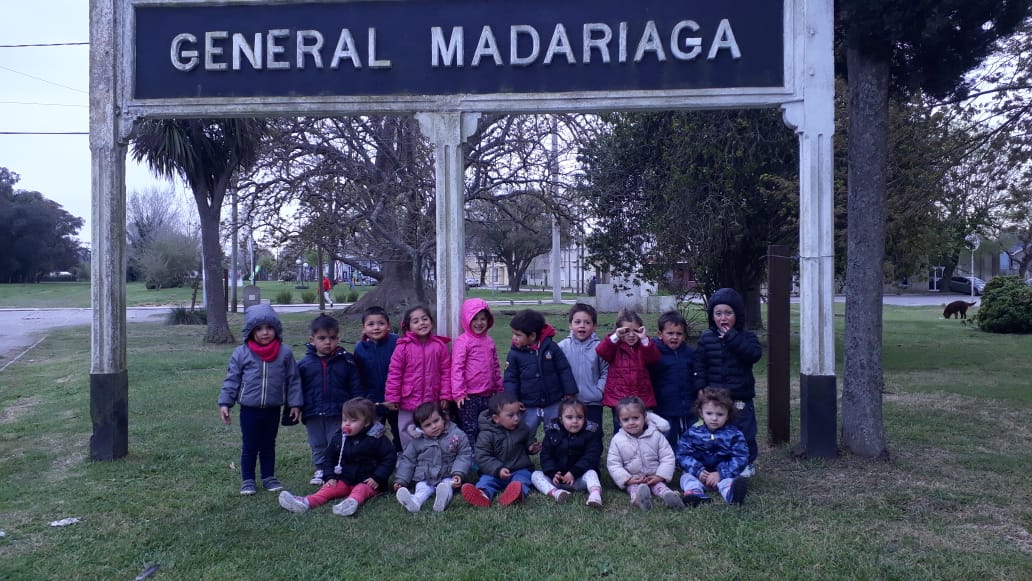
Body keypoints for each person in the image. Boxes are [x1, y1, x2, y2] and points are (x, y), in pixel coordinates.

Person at [218, 304, 302, 496]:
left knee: (268, 444)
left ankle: (268, 477)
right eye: (259, 328)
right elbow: (232, 379)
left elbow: (293, 380)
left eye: (269, 328)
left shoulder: (285, 353)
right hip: (249, 409)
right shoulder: (242, 353)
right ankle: (248, 479)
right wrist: (225, 403)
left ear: (276, 329)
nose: (265, 332)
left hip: (272, 408)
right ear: (251, 331)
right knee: (250, 444)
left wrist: (295, 403)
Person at [278, 397, 397, 516]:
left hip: (368, 481)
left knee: (361, 490)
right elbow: (329, 458)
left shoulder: (376, 438)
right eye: (345, 419)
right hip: (344, 479)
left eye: (353, 420)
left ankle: (351, 503)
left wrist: (377, 477)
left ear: (366, 423)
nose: (347, 423)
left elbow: (389, 458)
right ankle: (306, 502)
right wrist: (329, 476)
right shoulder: (338, 438)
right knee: (328, 489)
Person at [693, 288, 763, 477]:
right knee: (717, 429)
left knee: (744, 430)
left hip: (740, 396)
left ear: (737, 315)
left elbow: (754, 355)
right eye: (718, 313)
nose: (723, 317)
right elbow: (699, 364)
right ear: (712, 316)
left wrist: (732, 338)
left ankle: (746, 462)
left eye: (728, 313)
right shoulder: (707, 337)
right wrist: (700, 387)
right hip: (715, 397)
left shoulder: (746, 337)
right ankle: (721, 461)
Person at [297, 314, 364, 486]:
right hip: (313, 411)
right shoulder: (305, 363)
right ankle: (320, 468)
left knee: (338, 441)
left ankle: (337, 467)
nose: (328, 342)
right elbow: (297, 388)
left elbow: (355, 384)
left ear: (338, 338)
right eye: (322, 338)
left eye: (332, 338)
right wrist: (296, 406)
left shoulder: (347, 360)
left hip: (339, 411)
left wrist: (357, 406)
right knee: (317, 442)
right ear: (312, 340)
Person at [384, 305, 451, 450]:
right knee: (407, 430)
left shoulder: (439, 346)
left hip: (431, 399)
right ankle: (410, 458)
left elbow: (446, 372)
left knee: (432, 428)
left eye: (425, 319)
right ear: (408, 327)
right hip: (408, 399)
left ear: (431, 322)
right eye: (416, 321)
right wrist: (393, 397)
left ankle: (432, 456)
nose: (421, 323)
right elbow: (394, 374)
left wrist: (445, 395)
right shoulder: (403, 347)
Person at [504, 309, 577, 437]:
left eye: (518, 335)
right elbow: (511, 379)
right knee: (524, 434)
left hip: (553, 402)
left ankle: (556, 455)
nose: (514, 338)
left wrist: (569, 391)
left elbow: (564, 369)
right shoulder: (514, 354)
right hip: (528, 405)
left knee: (557, 432)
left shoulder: (551, 348)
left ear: (532, 336)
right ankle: (522, 455)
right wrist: (513, 400)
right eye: (513, 333)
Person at [461, 392, 541, 508]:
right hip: (494, 473)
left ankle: (516, 495)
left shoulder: (522, 428)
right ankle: (483, 495)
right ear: (496, 418)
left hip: (519, 468)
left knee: (522, 479)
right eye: (511, 415)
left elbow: (529, 440)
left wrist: (531, 447)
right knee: (486, 481)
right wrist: (498, 469)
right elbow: (483, 457)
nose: (516, 418)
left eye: (518, 414)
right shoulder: (486, 434)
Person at [393, 401, 472, 513]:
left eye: (436, 421)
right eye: (427, 425)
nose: (434, 426)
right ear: (420, 428)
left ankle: (442, 500)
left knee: (447, 485)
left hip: (448, 474)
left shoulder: (456, 435)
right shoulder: (417, 442)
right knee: (422, 488)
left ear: (443, 418)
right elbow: (408, 461)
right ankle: (415, 501)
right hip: (425, 476)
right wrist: (402, 480)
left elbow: (463, 455)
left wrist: (458, 473)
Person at [606, 396, 682, 511]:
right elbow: (613, 464)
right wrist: (626, 479)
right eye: (626, 420)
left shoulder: (656, 436)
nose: (631, 423)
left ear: (645, 417)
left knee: (660, 487)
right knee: (634, 489)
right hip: (633, 479)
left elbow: (667, 457)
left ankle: (670, 497)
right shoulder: (617, 440)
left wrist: (660, 476)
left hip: (654, 476)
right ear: (620, 422)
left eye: (635, 418)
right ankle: (639, 500)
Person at [676, 388, 749, 506]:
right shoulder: (692, 433)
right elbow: (682, 454)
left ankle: (732, 496)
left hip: (722, 475)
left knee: (730, 481)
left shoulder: (734, 434)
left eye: (720, 414)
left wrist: (721, 473)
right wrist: (697, 470)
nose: (714, 418)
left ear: (728, 415)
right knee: (686, 478)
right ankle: (695, 495)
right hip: (699, 475)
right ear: (701, 413)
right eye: (709, 413)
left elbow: (741, 457)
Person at [597, 308, 661, 434]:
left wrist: (644, 339)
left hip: (641, 398)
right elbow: (601, 351)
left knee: (642, 430)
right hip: (619, 399)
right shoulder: (615, 346)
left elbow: (654, 358)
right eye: (626, 331)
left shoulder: (644, 346)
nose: (631, 335)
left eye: (635, 331)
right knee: (620, 431)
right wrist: (616, 336)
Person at [450, 298, 503, 449]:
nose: (479, 323)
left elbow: (496, 367)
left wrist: (499, 389)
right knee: (470, 427)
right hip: (469, 396)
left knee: (486, 426)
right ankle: (470, 456)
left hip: (488, 394)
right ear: (467, 319)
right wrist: (459, 392)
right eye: (475, 319)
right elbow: (457, 368)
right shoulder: (463, 341)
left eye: (483, 319)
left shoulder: (489, 341)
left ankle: (484, 453)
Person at [531, 399, 604, 507]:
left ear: (585, 418)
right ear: (561, 419)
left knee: (591, 473)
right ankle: (556, 493)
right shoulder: (552, 431)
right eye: (569, 417)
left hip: (579, 478)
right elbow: (546, 455)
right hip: (557, 480)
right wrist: (552, 473)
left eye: (579, 417)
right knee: (535, 475)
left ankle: (595, 495)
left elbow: (592, 456)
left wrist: (573, 473)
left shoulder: (591, 433)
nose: (575, 421)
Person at [354, 306, 401, 453]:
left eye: (381, 323)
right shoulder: (360, 348)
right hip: (373, 401)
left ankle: (400, 453)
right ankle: (377, 456)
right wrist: (366, 399)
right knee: (373, 431)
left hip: (396, 400)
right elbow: (359, 375)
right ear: (363, 328)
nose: (376, 327)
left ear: (388, 325)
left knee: (399, 429)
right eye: (371, 324)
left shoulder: (397, 342)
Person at [649, 310, 697, 449]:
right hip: (664, 405)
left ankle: (686, 459)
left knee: (688, 436)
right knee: (666, 437)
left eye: (679, 333)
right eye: (670, 333)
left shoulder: (689, 353)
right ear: (660, 334)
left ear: (685, 336)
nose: (674, 337)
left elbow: (696, 375)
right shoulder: (654, 353)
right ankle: (668, 460)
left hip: (687, 405)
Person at [557, 303, 608, 427]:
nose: (582, 326)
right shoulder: (562, 347)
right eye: (577, 322)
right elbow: (555, 371)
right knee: (570, 434)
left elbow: (606, 371)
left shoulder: (600, 347)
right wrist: (562, 391)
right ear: (570, 325)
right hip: (568, 402)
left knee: (593, 434)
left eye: (587, 322)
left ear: (594, 326)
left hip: (592, 403)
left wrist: (599, 390)